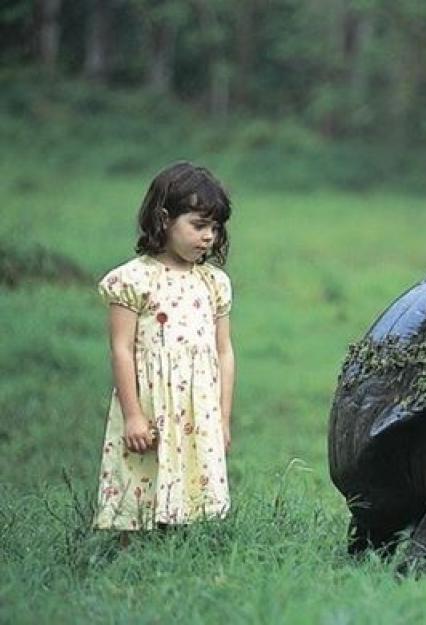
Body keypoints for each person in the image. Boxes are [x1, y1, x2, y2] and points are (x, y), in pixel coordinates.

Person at [93, 161, 235, 539]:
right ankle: (131, 549)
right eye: (199, 225)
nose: (209, 237)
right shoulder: (134, 280)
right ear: (164, 219)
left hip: (197, 404)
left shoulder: (214, 283)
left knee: (191, 481)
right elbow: (121, 350)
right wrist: (133, 416)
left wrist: (222, 417)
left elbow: (224, 352)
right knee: (141, 479)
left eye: (215, 228)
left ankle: (178, 547)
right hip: (152, 402)